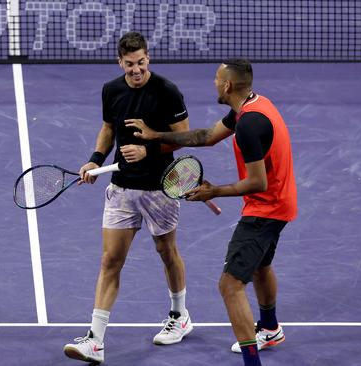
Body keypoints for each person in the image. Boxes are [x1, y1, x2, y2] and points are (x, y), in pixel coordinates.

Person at [125, 59, 297, 366]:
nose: (214, 84)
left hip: (266, 209)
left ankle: (252, 362)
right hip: (282, 202)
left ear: (228, 86)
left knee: (229, 286)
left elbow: (258, 182)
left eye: (217, 80)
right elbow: (204, 136)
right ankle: (270, 327)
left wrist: (213, 190)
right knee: (260, 265)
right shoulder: (252, 106)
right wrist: (156, 135)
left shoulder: (248, 125)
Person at [62, 31, 194, 364]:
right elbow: (108, 128)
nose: (136, 70)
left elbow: (185, 138)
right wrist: (95, 158)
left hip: (159, 188)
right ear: (120, 62)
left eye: (141, 63)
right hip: (121, 189)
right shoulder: (112, 90)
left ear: (148, 58)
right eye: (130, 64)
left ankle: (179, 316)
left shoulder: (167, 92)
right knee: (110, 260)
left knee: (166, 251)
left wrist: (148, 149)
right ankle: (96, 340)